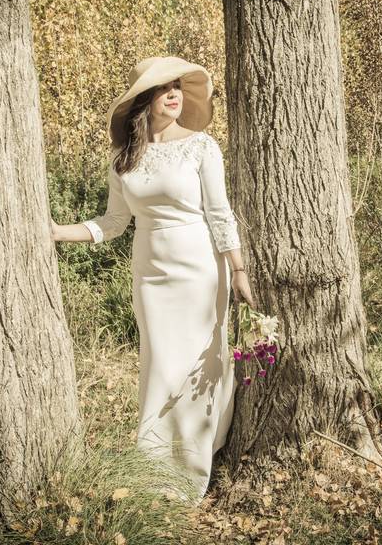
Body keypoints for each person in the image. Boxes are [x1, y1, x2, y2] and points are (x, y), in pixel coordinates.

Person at [51, 55, 255, 502]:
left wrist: (238, 269)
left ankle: (196, 457)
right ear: (145, 98)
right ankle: (154, 463)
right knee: (160, 364)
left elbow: (220, 215)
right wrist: (56, 232)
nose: (175, 94)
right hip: (150, 271)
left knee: (202, 361)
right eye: (165, 88)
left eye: (179, 86)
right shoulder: (123, 157)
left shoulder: (202, 147)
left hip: (201, 269)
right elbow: (113, 222)